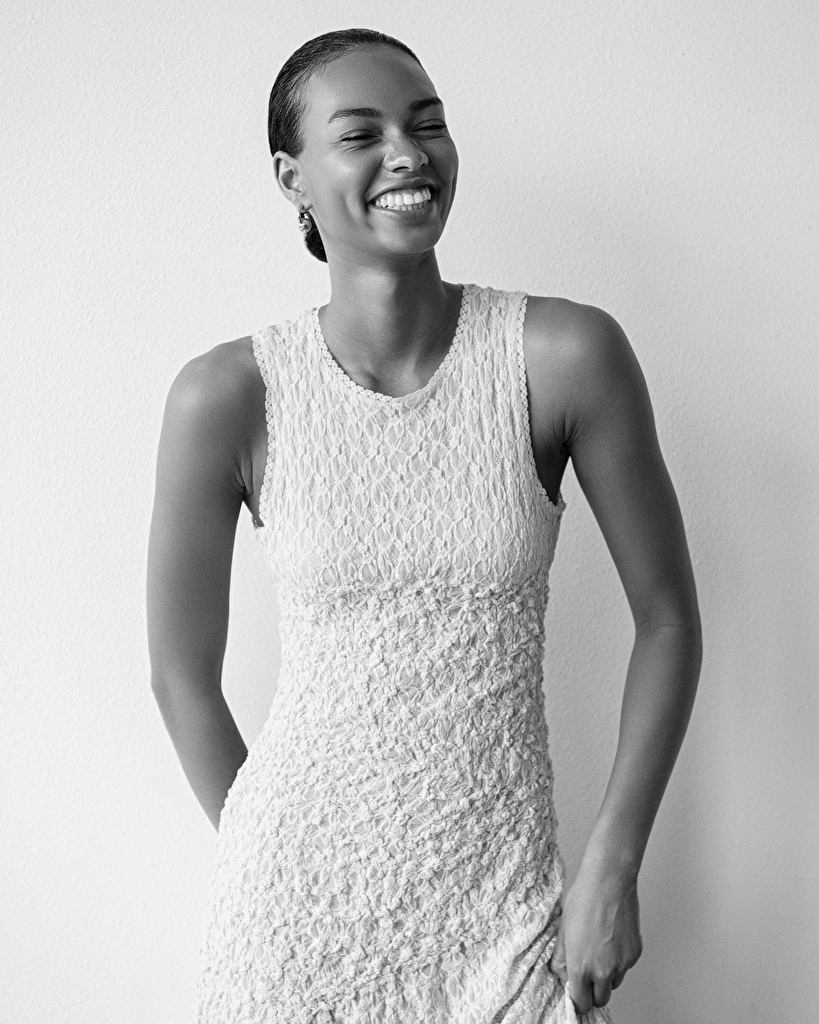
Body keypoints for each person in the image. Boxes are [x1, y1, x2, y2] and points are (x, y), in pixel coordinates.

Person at [147, 27, 702, 1024]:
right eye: (361, 134)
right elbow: (179, 675)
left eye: (427, 124)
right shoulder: (226, 395)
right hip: (290, 927)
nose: (407, 153)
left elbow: (666, 620)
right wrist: (266, 863)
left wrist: (613, 861)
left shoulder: (561, 355)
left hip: (507, 910)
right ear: (292, 178)